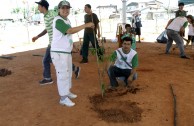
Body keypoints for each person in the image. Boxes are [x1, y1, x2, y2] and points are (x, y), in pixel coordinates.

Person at [51, 0, 94, 107]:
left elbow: (68, 36)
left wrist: (73, 46)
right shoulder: (58, 20)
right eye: (63, 8)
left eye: (67, 8)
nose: (65, 10)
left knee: (68, 72)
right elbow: (69, 31)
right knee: (62, 74)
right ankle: (63, 98)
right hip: (59, 53)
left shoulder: (67, 20)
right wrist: (86, 25)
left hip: (66, 52)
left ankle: (67, 92)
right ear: (59, 9)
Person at [32, 0, 80, 85]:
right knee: (56, 60)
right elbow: (48, 29)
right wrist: (37, 36)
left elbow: (64, 28)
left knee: (45, 60)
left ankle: (47, 78)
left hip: (55, 44)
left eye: (39, 6)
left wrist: (72, 44)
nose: (38, 8)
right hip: (54, 44)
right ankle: (75, 69)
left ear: (43, 7)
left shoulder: (52, 15)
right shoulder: (47, 16)